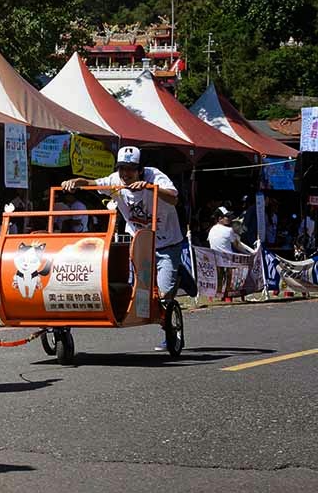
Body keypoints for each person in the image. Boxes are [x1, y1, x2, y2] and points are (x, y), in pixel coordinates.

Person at [62, 146, 182, 351]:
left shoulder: (154, 176)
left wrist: (149, 188)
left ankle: (170, 329)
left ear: (140, 169)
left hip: (166, 243)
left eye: (131, 169)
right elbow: (92, 183)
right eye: (122, 169)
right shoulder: (115, 181)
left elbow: (173, 197)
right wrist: (75, 182)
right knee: (136, 289)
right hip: (140, 243)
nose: (125, 174)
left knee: (163, 295)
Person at [208, 206, 254, 298]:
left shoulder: (212, 229)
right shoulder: (228, 230)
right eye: (226, 217)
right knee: (230, 273)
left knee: (220, 276)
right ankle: (227, 293)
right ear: (220, 218)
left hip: (215, 258)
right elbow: (237, 245)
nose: (229, 218)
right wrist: (248, 254)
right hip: (228, 259)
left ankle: (218, 292)